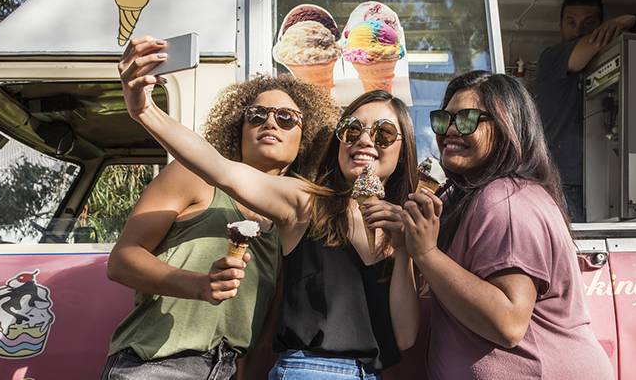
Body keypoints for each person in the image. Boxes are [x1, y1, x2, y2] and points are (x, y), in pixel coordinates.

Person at [119, 35, 420, 380]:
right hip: (308, 371)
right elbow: (221, 169)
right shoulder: (307, 202)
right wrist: (146, 111)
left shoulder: (399, 232)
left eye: (382, 133)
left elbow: (405, 337)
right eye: (351, 129)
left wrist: (406, 250)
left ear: (402, 150)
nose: (364, 139)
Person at [102, 73, 340, 380]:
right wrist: (199, 285)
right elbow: (121, 260)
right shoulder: (192, 177)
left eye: (286, 117)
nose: (269, 123)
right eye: (255, 115)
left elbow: (262, 332)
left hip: (225, 370)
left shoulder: (291, 226)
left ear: (306, 138)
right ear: (237, 128)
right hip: (155, 362)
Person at [402, 70, 613, 379]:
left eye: (468, 119)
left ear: (506, 127)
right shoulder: (461, 197)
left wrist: (426, 253)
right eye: (443, 119)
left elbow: (509, 323)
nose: (450, 131)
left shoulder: (505, 200)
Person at [534, 0, 636, 222]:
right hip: (563, 182)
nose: (578, 31)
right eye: (571, 23)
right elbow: (596, 41)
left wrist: (632, 21)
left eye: (588, 23)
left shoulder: (604, 61)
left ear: (600, 23)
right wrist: (626, 22)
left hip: (604, 181)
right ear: (560, 27)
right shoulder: (552, 58)